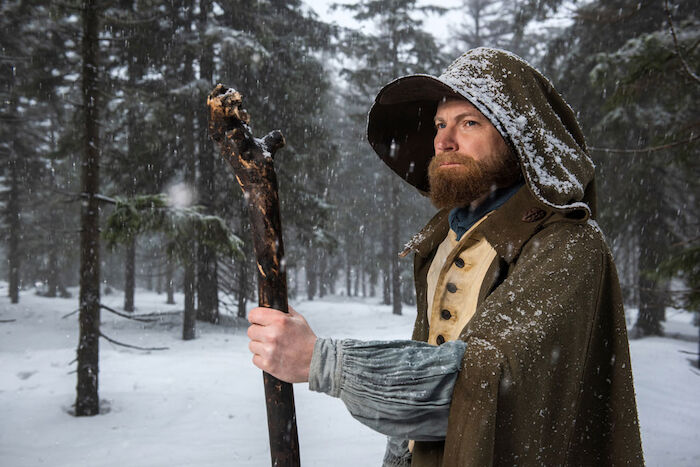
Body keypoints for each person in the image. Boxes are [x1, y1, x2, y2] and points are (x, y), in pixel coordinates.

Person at [246, 48, 644, 466]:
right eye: (440, 124)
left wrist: (320, 360)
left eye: (468, 122)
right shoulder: (444, 240)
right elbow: (424, 396)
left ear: (516, 137)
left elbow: (482, 385)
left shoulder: (568, 245)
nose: (442, 141)